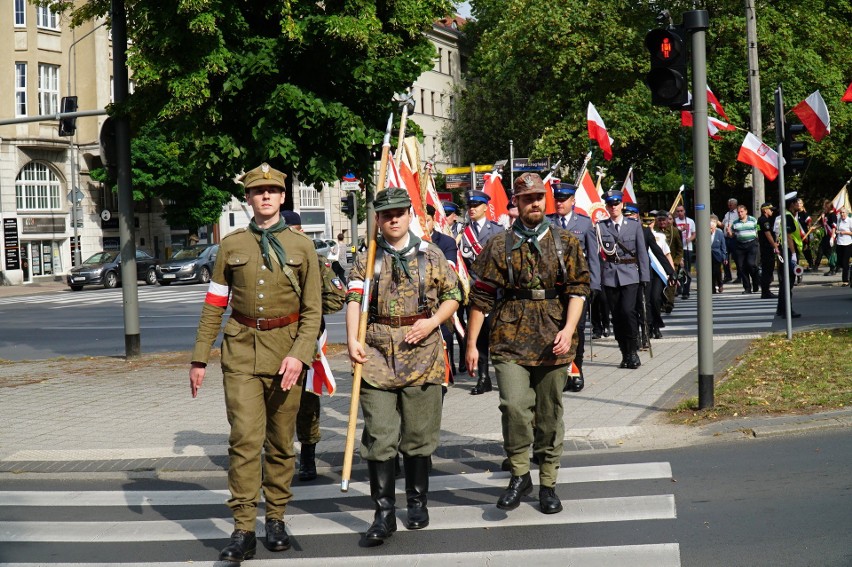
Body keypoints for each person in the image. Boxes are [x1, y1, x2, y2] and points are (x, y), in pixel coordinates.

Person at [189, 163, 322, 562]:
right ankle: (244, 527)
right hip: (242, 350)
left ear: (283, 197)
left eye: (271, 190)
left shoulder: (303, 247)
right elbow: (215, 303)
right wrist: (200, 358)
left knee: (281, 442)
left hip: (287, 352)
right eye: (257, 191)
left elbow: (313, 311)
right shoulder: (231, 246)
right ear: (247, 198)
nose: (264, 196)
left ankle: (276, 517)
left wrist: (300, 355)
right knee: (245, 440)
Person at [465, 172, 590, 515]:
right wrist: (472, 343)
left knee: (549, 414)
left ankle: (548, 482)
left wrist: (568, 329)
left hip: (554, 338)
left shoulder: (566, 241)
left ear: (545, 200)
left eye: (539, 197)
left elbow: (578, 290)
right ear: (516, 204)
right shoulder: (498, 244)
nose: (534, 203)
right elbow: (482, 295)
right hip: (508, 338)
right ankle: (520, 473)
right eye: (526, 198)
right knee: (515, 408)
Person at [346, 187, 460, 543]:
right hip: (377, 354)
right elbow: (353, 297)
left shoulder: (430, 254)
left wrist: (431, 323)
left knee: (417, 436)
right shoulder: (369, 256)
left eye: (399, 212)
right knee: (380, 436)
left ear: (409, 214)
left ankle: (417, 501)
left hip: (422, 353)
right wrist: (352, 339)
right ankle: (383, 514)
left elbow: (454, 296)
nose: (393, 218)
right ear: (378, 219)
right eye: (385, 214)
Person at [279, 211, 346, 484]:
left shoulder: (317, 262)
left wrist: (307, 310)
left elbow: (336, 300)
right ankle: (279, 457)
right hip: (271, 340)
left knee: (306, 401)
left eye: (295, 232)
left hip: (305, 339)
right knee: (275, 401)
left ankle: (307, 456)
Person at [547, 182, 600, 391]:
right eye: (557, 199)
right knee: (556, 329)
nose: (559, 203)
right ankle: (559, 373)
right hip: (554, 288)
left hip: (577, 287)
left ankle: (576, 371)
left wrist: (594, 284)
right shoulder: (547, 222)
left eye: (563, 200)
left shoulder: (585, 224)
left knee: (576, 329)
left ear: (572, 201)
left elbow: (593, 257)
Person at [597, 190, 650, 369]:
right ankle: (624, 353)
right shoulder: (600, 226)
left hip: (630, 274)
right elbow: (597, 256)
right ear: (606, 207)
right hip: (610, 276)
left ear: (621, 205)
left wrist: (644, 276)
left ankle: (633, 351)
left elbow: (642, 252)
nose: (614, 207)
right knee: (617, 317)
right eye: (610, 205)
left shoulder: (634, 225)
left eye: (616, 204)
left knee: (628, 312)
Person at [459, 189, 503, 395]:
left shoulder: (497, 231)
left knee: (498, 334)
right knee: (478, 335)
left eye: (476, 205)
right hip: (473, 292)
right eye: (470, 206)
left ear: (486, 207)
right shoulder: (462, 234)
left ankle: (504, 377)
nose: (472, 209)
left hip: (495, 292)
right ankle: (483, 377)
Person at [425, 204, 461, 376]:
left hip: (440, 299)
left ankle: (447, 370)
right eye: (420, 220)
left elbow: (449, 269)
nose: (424, 224)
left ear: (433, 221)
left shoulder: (446, 242)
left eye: (427, 220)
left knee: (446, 335)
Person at [776, 192, 802, 318]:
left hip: (785, 250)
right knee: (788, 281)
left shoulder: (788, 215)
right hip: (788, 251)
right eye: (797, 202)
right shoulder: (788, 216)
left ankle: (781, 309)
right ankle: (787, 310)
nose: (799, 204)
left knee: (784, 282)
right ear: (792, 204)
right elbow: (788, 236)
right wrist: (793, 254)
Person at [730, 204, 760, 294]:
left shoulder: (753, 220)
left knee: (751, 264)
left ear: (746, 211)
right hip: (740, 246)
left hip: (751, 244)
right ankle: (747, 288)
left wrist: (757, 240)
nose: (740, 214)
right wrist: (729, 233)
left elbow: (758, 230)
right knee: (741, 267)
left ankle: (756, 283)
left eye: (742, 212)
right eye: (738, 212)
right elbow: (732, 234)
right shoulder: (735, 223)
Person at [657, 212, 683, 313]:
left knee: (672, 283)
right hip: (659, 263)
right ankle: (661, 302)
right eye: (660, 220)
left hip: (672, 261)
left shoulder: (675, 231)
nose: (662, 222)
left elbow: (680, 249)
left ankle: (669, 303)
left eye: (664, 220)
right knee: (660, 283)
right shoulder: (654, 232)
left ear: (668, 220)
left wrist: (676, 262)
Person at [757, 203, 780, 299]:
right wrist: (774, 245)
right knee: (767, 270)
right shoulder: (764, 220)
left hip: (765, 247)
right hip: (767, 248)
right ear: (765, 210)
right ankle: (765, 292)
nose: (772, 211)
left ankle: (765, 291)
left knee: (767, 269)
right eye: (770, 209)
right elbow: (768, 234)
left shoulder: (761, 220)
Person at [673, 205, 696, 299]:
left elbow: (694, 234)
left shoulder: (690, 221)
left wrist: (690, 239)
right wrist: (681, 230)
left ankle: (686, 291)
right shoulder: (674, 222)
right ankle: (679, 288)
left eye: (681, 211)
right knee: (677, 269)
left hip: (687, 248)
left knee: (686, 270)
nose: (680, 213)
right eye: (678, 211)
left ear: (684, 211)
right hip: (677, 249)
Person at [813, 199, 838, 275]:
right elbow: (824, 224)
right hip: (826, 236)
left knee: (829, 252)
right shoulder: (826, 215)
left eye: (825, 207)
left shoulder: (833, 215)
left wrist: (832, 237)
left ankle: (833, 268)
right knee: (821, 250)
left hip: (831, 235)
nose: (824, 208)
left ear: (828, 207)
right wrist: (815, 227)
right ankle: (818, 265)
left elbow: (834, 226)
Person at [722, 198, 739, 283]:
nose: (729, 206)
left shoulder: (738, 213)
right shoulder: (727, 214)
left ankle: (739, 276)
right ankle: (727, 276)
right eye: (728, 204)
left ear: (735, 205)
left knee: (736, 257)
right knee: (725, 257)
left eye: (731, 204)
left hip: (734, 238)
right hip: (726, 238)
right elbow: (723, 224)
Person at [709, 214, 727, 293]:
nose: (712, 225)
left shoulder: (719, 232)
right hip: (708, 255)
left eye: (713, 223)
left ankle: (720, 284)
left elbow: (723, 246)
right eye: (710, 223)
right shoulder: (705, 232)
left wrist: (724, 256)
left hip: (717, 255)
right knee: (710, 272)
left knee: (717, 271)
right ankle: (712, 287)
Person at [834, 208, 852, 284]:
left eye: (843, 212)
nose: (842, 214)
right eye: (841, 213)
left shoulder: (850, 221)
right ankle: (849, 268)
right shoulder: (839, 220)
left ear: (847, 213)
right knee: (840, 262)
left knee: (845, 262)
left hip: (847, 243)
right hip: (839, 243)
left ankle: (845, 280)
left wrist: (845, 232)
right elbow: (837, 229)